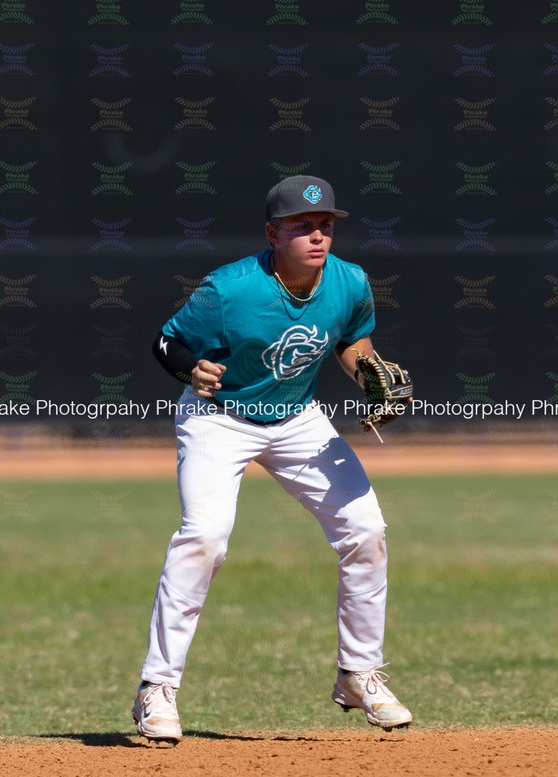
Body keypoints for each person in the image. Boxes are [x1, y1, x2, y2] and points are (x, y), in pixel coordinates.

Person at [136, 175, 412, 744]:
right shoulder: (229, 290)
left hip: (297, 419)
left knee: (365, 529)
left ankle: (359, 673)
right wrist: (191, 367)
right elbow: (167, 341)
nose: (317, 236)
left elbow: (351, 343)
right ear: (273, 233)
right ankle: (156, 688)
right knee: (205, 537)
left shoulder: (350, 282)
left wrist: (369, 374)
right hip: (219, 417)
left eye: (325, 226)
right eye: (302, 226)